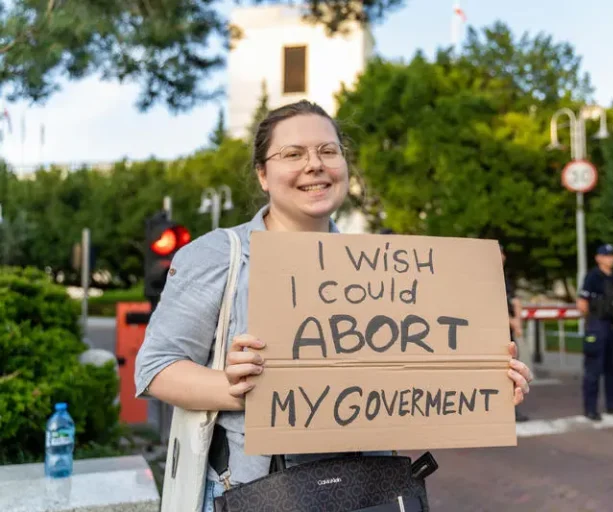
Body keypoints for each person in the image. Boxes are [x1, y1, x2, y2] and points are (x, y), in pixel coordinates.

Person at [133, 100, 534, 511]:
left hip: (367, 491)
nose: (315, 165)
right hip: (259, 492)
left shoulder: (389, 271)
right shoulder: (219, 254)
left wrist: (483, 383)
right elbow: (155, 369)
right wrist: (235, 389)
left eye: (329, 151)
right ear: (262, 174)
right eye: (293, 154)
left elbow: (406, 379)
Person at [577, 244, 613, 421]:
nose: (610, 259)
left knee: (612, 368)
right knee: (593, 370)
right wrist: (591, 322)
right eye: (606, 256)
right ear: (598, 258)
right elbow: (582, 303)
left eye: (611, 256)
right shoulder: (593, 276)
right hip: (597, 325)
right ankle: (590, 408)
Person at [500, 243, 530, 422]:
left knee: (511, 369)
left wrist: (517, 321)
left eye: (503, 253)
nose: (502, 257)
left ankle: (512, 408)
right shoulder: (487, 277)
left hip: (508, 331)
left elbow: (514, 299)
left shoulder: (504, 277)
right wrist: (512, 321)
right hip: (497, 331)